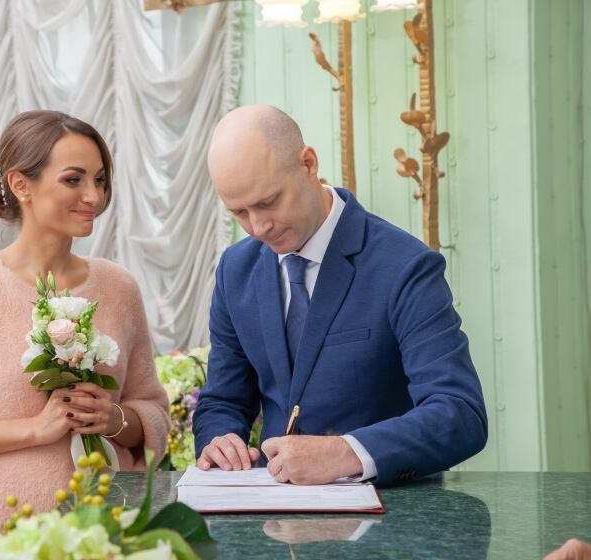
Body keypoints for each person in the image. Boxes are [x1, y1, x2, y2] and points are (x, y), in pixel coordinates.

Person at [0, 110, 170, 557]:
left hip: (107, 532)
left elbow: (153, 413)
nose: (93, 196)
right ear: (21, 185)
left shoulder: (118, 288)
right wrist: (35, 430)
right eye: (73, 180)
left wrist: (114, 419)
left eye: (100, 180)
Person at [193, 104, 487, 486]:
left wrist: (345, 453)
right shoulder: (236, 269)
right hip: (272, 520)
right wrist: (221, 439)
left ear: (308, 163)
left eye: (268, 202)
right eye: (239, 212)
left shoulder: (405, 265)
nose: (258, 227)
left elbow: (460, 414)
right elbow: (223, 401)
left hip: (390, 523)